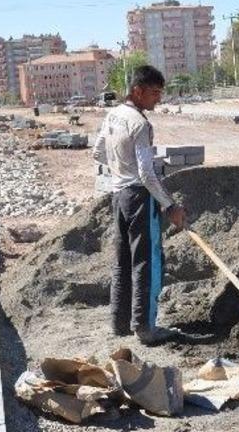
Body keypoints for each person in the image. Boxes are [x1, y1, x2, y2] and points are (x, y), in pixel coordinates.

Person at [92, 65, 187, 345]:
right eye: (155, 93)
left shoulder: (114, 115)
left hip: (119, 196)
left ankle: (121, 323)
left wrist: (121, 170)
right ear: (138, 90)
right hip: (139, 198)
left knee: (123, 260)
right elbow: (146, 174)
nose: (158, 98)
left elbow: (98, 152)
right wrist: (170, 206)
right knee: (148, 262)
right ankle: (146, 327)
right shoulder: (140, 124)